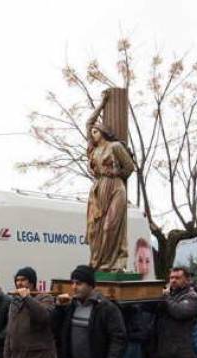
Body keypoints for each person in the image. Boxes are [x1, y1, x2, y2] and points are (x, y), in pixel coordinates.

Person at [85, 91, 136, 272]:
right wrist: (102, 103)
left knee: (110, 227)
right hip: (98, 190)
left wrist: (117, 172)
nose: (93, 133)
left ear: (103, 132)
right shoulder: (93, 149)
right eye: (92, 132)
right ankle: (97, 263)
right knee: (94, 231)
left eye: (96, 131)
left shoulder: (114, 147)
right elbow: (88, 122)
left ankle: (115, 263)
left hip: (115, 188)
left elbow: (130, 167)